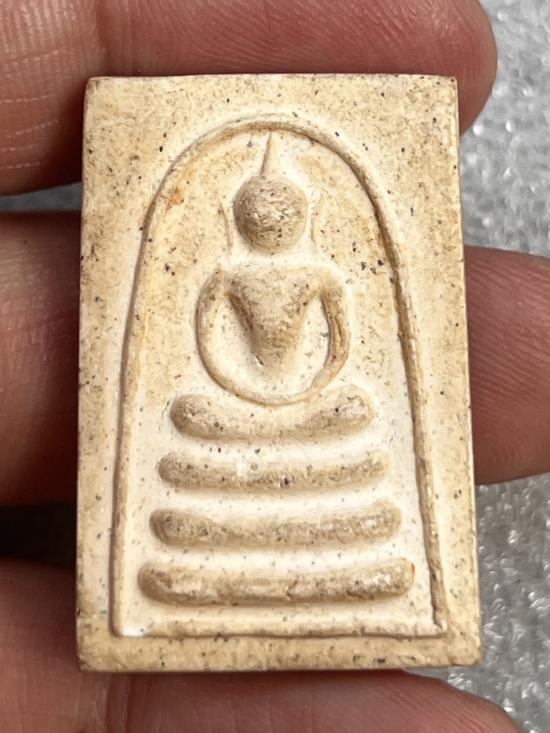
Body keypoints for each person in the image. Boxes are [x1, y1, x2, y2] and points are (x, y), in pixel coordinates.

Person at [0, 1, 548, 731]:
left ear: (298, 216)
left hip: (314, 401)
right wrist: (239, 388)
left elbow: (343, 348)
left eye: (280, 213)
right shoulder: (225, 272)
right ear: (242, 218)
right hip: (229, 404)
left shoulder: (320, 271)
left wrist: (308, 388)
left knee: (356, 414)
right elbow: (205, 344)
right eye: (260, 214)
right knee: (192, 417)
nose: (271, 223)